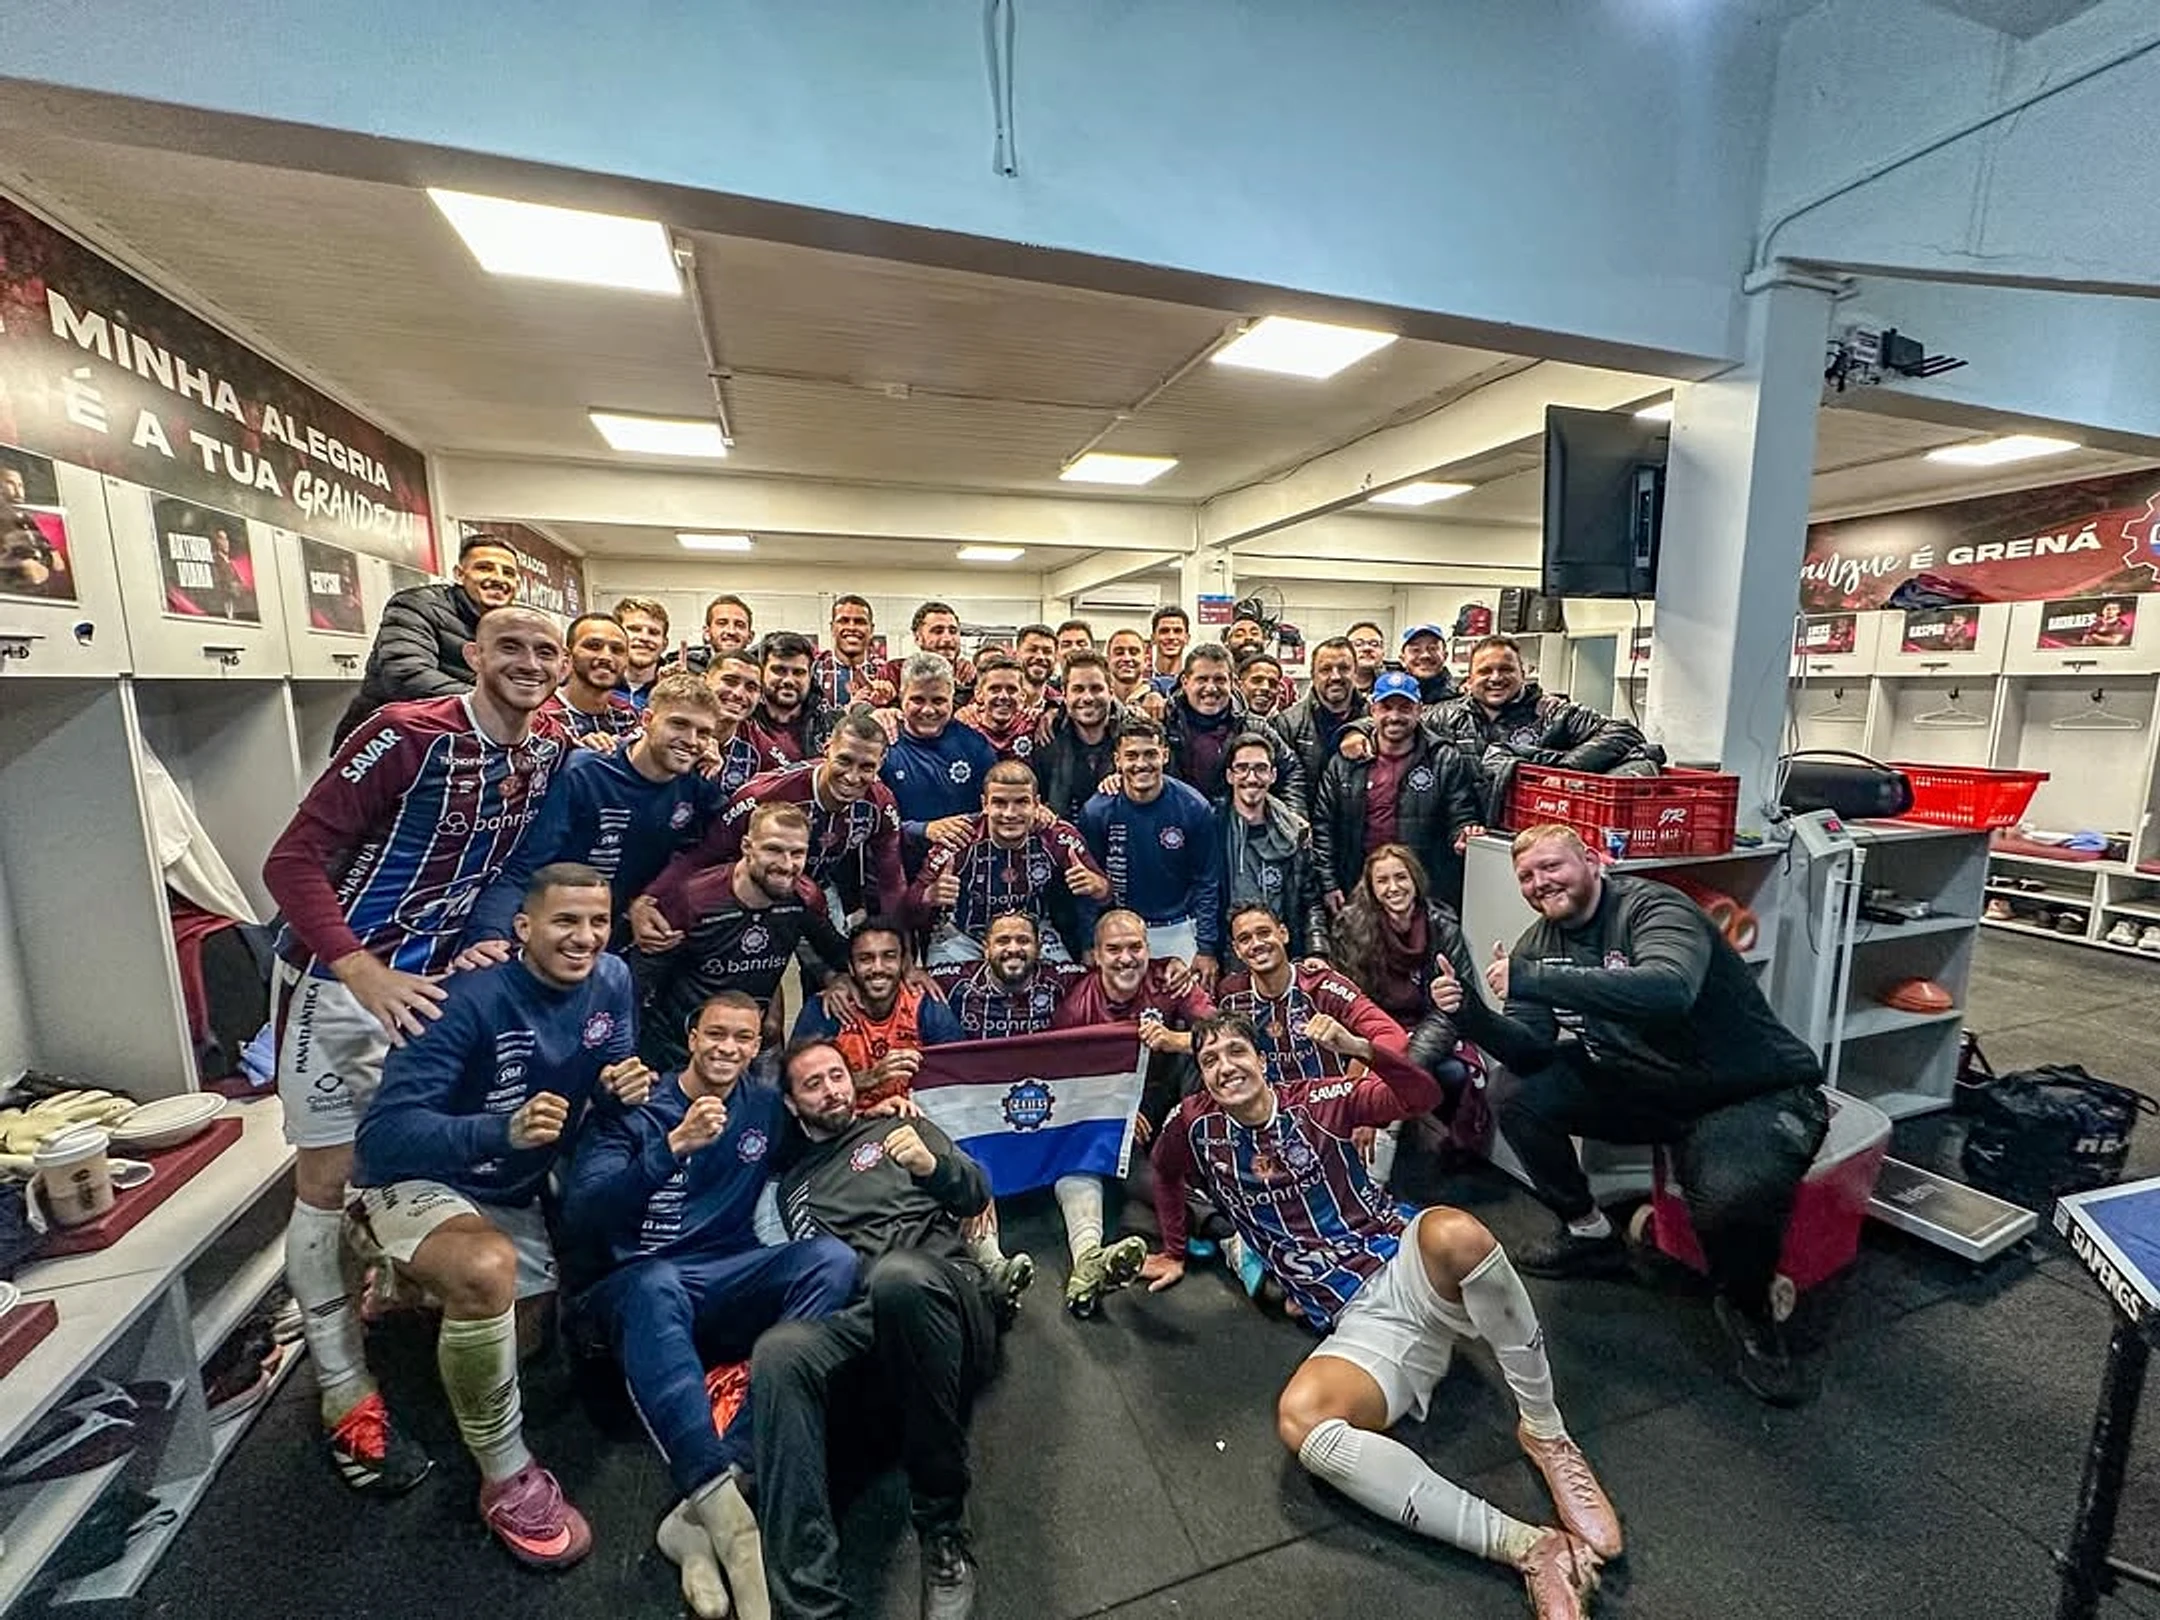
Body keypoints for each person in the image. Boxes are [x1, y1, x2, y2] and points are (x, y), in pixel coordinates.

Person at [1141, 1012, 1616, 1620]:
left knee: (1458, 1234)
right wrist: (1174, 1250)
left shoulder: (1318, 1101)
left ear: (1262, 1060)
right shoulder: (1195, 1126)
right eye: (1210, 1060)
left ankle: (1546, 1433)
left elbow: (1420, 1095)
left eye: (1237, 1052)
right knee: (1304, 1425)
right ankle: (1529, 1548)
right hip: (1359, 1322)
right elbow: (1164, 1171)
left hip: (1404, 1265)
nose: (1225, 1067)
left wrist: (1359, 1048)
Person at [263, 606, 566, 1498]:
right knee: (327, 1179)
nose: (529, 662)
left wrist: (480, 939)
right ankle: (342, 1386)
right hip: (340, 987)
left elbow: (511, 869)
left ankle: (394, 1284)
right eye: (510, 647)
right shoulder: (403, 732)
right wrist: (359, 969)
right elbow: (291, 862)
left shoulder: (546, 750)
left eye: (544, 650)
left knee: (412, 1159)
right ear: (472, 655)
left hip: (436, 988)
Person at [348, 863, 647, 1569]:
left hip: (509, 1190)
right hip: (417, 1179)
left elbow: (611, 1067)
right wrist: (498, 1131)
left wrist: (621, 1087)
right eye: (565, 921)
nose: (584, 938)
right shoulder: (463, 1001)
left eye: (598, 922)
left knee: (525, 1343)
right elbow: (381, 1140)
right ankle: (506, 1477)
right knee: (486, 1273)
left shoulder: (612, 979)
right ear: (523, 928)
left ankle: (411, 1287)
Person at [1486, 824, 1830, 1405]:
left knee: (1727, 1197)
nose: (1540, 882)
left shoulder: (1653, 908)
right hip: (1648, 1086)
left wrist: (1535, 979)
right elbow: (1529, 1049)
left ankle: (1749, 1310)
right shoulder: (1536, 946)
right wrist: (1469, 1014)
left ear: (1592, 861)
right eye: (1526, 876)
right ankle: (1589, 1232)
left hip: (1747, 1091)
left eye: (1551, 866)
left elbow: (1669, 990)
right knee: (1513, 1091)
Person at [560, 990, 859, 1620]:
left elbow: (819, 1130)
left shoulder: (762, 1106)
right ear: (692, 1036)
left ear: (757, 1047)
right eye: (716, 1034)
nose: (728, 1048)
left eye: (743, 1038)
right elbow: (583, 1218)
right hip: (634, 1282)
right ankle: (724, 1513)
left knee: (832, 1259)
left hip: (727, 1273)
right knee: (656, 1284)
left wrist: (886, 1109)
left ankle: (714, 1494)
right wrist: (671, 1146)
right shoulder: (636, 1106)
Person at [756, 1039, 1010, 1620]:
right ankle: (809, 1603)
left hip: (947, 1293)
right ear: (792, 1104)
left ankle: (943, 1530)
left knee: (899, 1278)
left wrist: (932, 1166)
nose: (831, 1090)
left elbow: (975, 1190)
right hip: (870, 1320)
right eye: (813, 1084)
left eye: (837, 1076)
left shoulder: (901, 1126)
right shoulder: (793, 1187)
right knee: (780, 1352)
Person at [461, 671, 723, 954]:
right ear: (647, 720)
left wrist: (652, 898)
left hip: (615, 937)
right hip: (550, 932)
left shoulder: (698, 785)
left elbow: (715, 848)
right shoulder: (586, 773)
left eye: (703, 733)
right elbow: (524, 868)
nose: (691, 740)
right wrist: (489, 936)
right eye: (679, 724)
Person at [1047, 908, 1208, 1316]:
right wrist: (1116, 1111)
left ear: (1148, 949)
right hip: (1114, 1109)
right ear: (1097, 955)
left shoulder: (1169, 979)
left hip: (1166, 1094)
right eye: (1114, 949)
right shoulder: (1076, 1009)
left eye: (1135, 947)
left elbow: (1224, 1032)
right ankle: (1216, 1224)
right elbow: (1064, 1084)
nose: (1126, 958)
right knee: (1126, 1164)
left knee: (1202, 1057)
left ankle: (1210, 1163)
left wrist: (1173, 1039)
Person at [640, 711, 907, 933]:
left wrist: (903, 950)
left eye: (867, 767)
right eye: (844, 761)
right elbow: (704, 855)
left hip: (818, 894)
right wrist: (650, 898)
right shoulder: (764, 794)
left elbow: (891, 880)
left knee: (838, 969)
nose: (852, 777)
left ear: (881, 763)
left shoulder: (881, 804)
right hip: (753, 892)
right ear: (827, 749)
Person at [633, 802, 853, 1071]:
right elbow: (640, 981)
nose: (787, 865)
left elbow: (840, 954)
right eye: (773, 850)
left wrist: (839, 979)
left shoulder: (805, 898)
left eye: (797, 853)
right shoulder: (693, 900)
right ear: (747, 846)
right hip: (679, 1051)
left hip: (751, 1050)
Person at [1431, 635, 1657, 821]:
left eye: (1506, 669)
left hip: (1534, 834)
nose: (1496, 678)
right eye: (1485, 671)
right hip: (1462, 834)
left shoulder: (1555, 713)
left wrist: (1566, 769)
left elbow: (1624, 732)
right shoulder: (1443, 717)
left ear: (1523, 673)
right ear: (1469, 679)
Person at [1313, 669, 1485, 912]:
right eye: (1386, 707)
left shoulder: (1444, 759)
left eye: (1405, 708)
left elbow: (1461, 815)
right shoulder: (1344, 762)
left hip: (1423, 894)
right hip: (1358, 889)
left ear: (1419, 710)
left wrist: (1463, 835)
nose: (1394, 716)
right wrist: (1329, 883)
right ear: (1372, 710)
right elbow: (1323, 826)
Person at [908, 760, 1108, 964]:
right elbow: (909, 905)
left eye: (1021, 802)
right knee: (939, 984)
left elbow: (1105, 893)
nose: (1010, 813)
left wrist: (1098, 887)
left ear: (1036, 804)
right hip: (965, 937)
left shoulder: (1057, 836)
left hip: (1035, 935)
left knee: (1068, 980)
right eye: (999, 803)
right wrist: (929, 895)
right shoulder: (959, 837)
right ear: (985, 804)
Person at [332, 531, 522, 743]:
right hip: (386, 743)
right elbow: (406, 674)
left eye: (508, 573)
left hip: (455, 739)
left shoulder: (515, 625)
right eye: (484, 568)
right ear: (459, 574)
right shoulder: (417, 605)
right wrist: (497, 704)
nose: (498, 578)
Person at [1079, 715, 1224, 984]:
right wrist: (1088, 942)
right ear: (1117, 760)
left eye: (1150, 754)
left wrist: (1205, 948)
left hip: (1180, 927)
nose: (1141, 764)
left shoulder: (1194, 807)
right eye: (1131, 756)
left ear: (1164, 755)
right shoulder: (1097, 811)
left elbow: (1207, 881)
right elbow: (1089, 884)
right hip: (1121, 932)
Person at [1214, 905, 1405, 1085]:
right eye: (1245, 939)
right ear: (1237, 950)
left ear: (1283, 934)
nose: (1256, 944)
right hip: (1267, 1105)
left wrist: (1358, 1080)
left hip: (1328, 1102)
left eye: (1264, 933)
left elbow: (1391, 1035)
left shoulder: (1324, 986)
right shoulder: (1230, 995)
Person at [791, 918, 966, 1108]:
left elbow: (957, 1075)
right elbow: (800, 1085)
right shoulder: (828, 1008)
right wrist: (867, 1078)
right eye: (865, 959)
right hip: (847, 1120)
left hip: (915, 1115)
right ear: (851, 967)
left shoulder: (925, 1004)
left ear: (904, 963)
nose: (878, 968)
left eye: (889, 956)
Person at [879, 653, 998, 873]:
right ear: (902, 696)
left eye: (938, 701)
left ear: (952, 698)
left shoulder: (975, 745)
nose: (928, 710)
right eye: (918, 700)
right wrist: (924, 829)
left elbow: (996, 809)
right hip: (901, 874)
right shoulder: (883, 747)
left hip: (966, 872)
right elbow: (871, 823)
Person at [1218, 732, 1329, 965]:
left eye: (1260, 768)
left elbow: (1311, 901)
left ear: (1273, 775)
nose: (1251, 777)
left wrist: (1316, 952)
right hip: (1229, 958)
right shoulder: (1212, 828)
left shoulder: (1296, 833)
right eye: (1242, 768)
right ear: (1229, 775)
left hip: (1284, 954)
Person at [1162, 642, 1304, 811]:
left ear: (1233, 683)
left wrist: (1293, 816)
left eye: (1220, 680)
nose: (1211, 688)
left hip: (1237, 824)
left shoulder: (1255, 728)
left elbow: (1292, 771)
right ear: (1185, 682)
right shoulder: (1164, 725)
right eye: (1202, 679)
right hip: (1176, 822)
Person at [932, 911, 1087, 1040]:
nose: (1013, 949)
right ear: (986, 949)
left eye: (1023, 940)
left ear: (1039, 949)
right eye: (1003, 941)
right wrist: (918, 974)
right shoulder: (954, 981)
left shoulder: (1064, 979)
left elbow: (1100, 979)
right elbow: (917, 989)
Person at [1031, 650, 1122, 824]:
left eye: (1096, 689)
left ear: (1111, 692)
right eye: (1078, 689)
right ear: (1064, 695)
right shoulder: (1045, 738)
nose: (1087, 698)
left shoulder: (1133, 736)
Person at [1270, 635, 1368, 791]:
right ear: (1313, 675)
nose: (1335, 676)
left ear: (1355, 672)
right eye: (1325, 669)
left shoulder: (1374, 718)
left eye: (1343, 668)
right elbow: (1285, 785)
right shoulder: (1288, 724)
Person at [536, 612, 644, 751]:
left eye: (617, 650)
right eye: (594, 646)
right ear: (566, 655)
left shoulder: (628, 716)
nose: (606, 657)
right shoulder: (540, 716)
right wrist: (575, 754)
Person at [741, 631, 834, 768]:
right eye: (779, 670)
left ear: (810, 676)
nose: (789, 680)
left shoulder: (830, 728)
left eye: (798, 672)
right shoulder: (741, 725)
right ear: (762, 672)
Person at [701, 648, 769, 796]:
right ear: (704, 681)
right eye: (730, 681)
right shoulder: (674, 732)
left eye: (751, 687)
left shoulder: (762, 750)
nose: (739, 694)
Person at [954, 653, 1039, 761]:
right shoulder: (964, 727)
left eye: (1012, 689)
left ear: (1022, 696)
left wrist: (1052, 708)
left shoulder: (1034, 725)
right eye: (995, 689)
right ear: (979, 694)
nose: (1003, 696)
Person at [814, 593, 894, 708]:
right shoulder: (814, 672)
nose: (851, 627)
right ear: (832, 628)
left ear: (871, 630)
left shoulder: (886, 674)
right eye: (843, 621)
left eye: (860, 622)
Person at [888, 600, 977, 702]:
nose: (947, 638)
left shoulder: (970, 676)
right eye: (938, 631)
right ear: (918, 638)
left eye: (953, 631)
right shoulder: (895, 672)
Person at [670, 594, 756, 677]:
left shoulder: (758, 673)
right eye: (722, 623)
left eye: (740, 625)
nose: (731, 631)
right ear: (707, 633)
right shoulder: (688, 667)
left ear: (750, 637)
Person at [613, 596, 671, 710]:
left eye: (653, 632)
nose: (644, 638)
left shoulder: (671, 690)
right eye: (634, 629)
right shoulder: (597, 685)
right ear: (616, 635)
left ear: (664, 644)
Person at [1401, 623, 1458, 704]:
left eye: (1432, 648)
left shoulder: (1460, 697)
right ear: (1402, 659)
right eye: (1416, 650)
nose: (1425, 655)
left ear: (1445, 656)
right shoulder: (1389, 697)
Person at [1104, 628, 1156, 709]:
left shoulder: (1161, 701)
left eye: (1134, 652)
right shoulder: (1099, 701)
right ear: (1108, 660)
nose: (1127, 658)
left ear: (1146, 660)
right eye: (1119, 653)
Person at [1236, 650, 1293, 720]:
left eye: (1273, 684)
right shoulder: (1225, 721)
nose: (1266, 687)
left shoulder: (1287, 723)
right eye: (1257, 681)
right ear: (1239, 685)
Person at [1012, 624, 1061, 703]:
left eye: (1047, 651)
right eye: (1032, 650)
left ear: (1056, 658)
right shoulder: (1001, 701)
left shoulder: (1062, 705)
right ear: (1016, 655)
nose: (1040, 657)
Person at [1147, 605, 1191, 692]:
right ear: (1153, 638)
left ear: (1187, 638)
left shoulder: (1193, 682)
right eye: (1164, 631)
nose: (1171, 637)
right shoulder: (1141, 679)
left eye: (1177, 631)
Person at [1344, 620, 1388, 695]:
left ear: (1383, 652)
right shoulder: (1334, 682)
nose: (1367, 648)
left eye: (1374, 644)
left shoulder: (1390, 685)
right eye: (1358, 644)